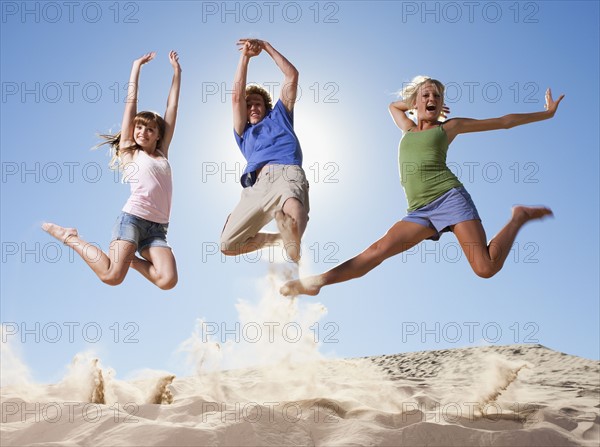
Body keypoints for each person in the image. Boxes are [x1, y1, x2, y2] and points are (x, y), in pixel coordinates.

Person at [281, 76, 564, 296]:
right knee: (378, 250)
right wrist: (415, 102)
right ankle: (317, 282)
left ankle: (519, 217)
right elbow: (393, 106)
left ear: (442, 105)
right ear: (415, 103)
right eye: (425, 95)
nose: (432, 99)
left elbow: (503, 122)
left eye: (437, 96)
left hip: (450, 199)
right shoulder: (406, 128)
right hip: (419, 211)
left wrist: (547, 114)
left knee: (485, 268)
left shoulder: (449, 128)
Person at [42, 51, 181, 289]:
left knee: (167, 280)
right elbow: (131, 104)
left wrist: (177, 72)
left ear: (159, 135)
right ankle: (70, 237)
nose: (142, 132)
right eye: (139, 127)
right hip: (133, 220)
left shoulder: (161, 153)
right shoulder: (130, 151)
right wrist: (136, 67)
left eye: (149, 129)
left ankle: (131, 260)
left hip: (157, 229)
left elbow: (172, 106)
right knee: (111, 277)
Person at [220, 38, 309, 263]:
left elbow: (291, 76)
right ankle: (279, 239)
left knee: (293, 214)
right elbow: (235, 96)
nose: (252, 108)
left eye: (257, 103)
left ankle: (292, 239)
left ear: (266, 106)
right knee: (228, 244)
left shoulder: (280, 115)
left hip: (285, 173)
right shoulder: (243, 132)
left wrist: (267, 46)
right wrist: (245, 58)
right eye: (248, 105)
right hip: (257, 187)